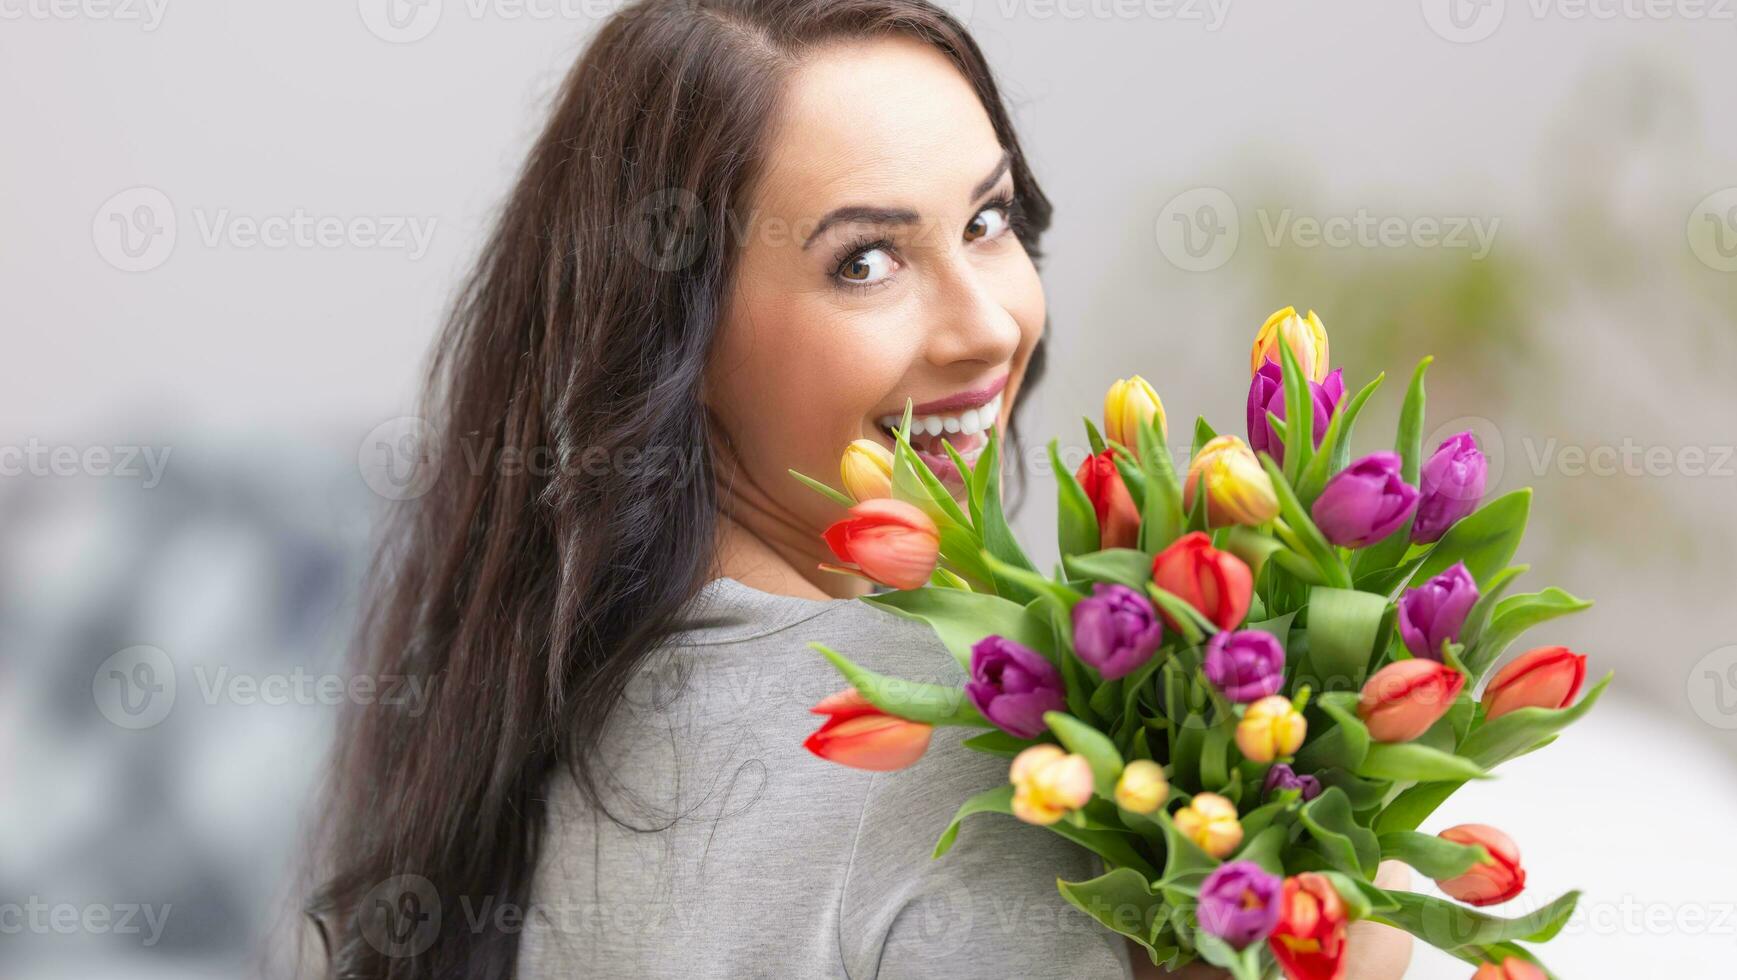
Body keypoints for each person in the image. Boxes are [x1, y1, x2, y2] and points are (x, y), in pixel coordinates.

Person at [307, 2, 1414, 976]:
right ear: (676, 339)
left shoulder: (550, 663)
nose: (988, 324)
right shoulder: (961, 739)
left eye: (988, 221)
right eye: (865, 263)